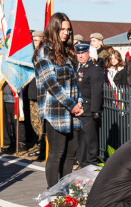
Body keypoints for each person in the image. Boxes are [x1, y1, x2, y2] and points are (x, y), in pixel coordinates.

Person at [33, 12, 84, 188]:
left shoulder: (66, 52)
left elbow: (73, 84)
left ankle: (65, 191)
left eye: (68, 30)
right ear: (53, 29)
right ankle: (53, 194)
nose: (66, 33)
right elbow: (51, 85)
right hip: (55, 112)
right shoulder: (43, 52)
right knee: (57, 152)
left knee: (71, 153)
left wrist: (79, 103)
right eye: (62, 29)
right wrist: (71, 105)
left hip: (72, 111)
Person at [75, 43, 104, 167]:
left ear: (88, 53)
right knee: (81, 138)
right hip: (78, 108)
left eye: (83, 53)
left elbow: (97, 90)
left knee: (90, 138)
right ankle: (82, 162)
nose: (81, 56)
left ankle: (91, 164)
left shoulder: (94, 69)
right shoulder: (77, 67)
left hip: (88, 108)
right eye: (78, 53)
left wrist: (95, 110)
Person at [27, 30, 46, 159]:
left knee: (43, 123)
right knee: (35, 123)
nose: (35, 42)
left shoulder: (45, 53)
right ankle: (41, 145)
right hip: (33, 91)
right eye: (34, 40)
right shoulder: (31, 53)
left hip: (43, 92)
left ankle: (44, 148)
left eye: (38, 39)